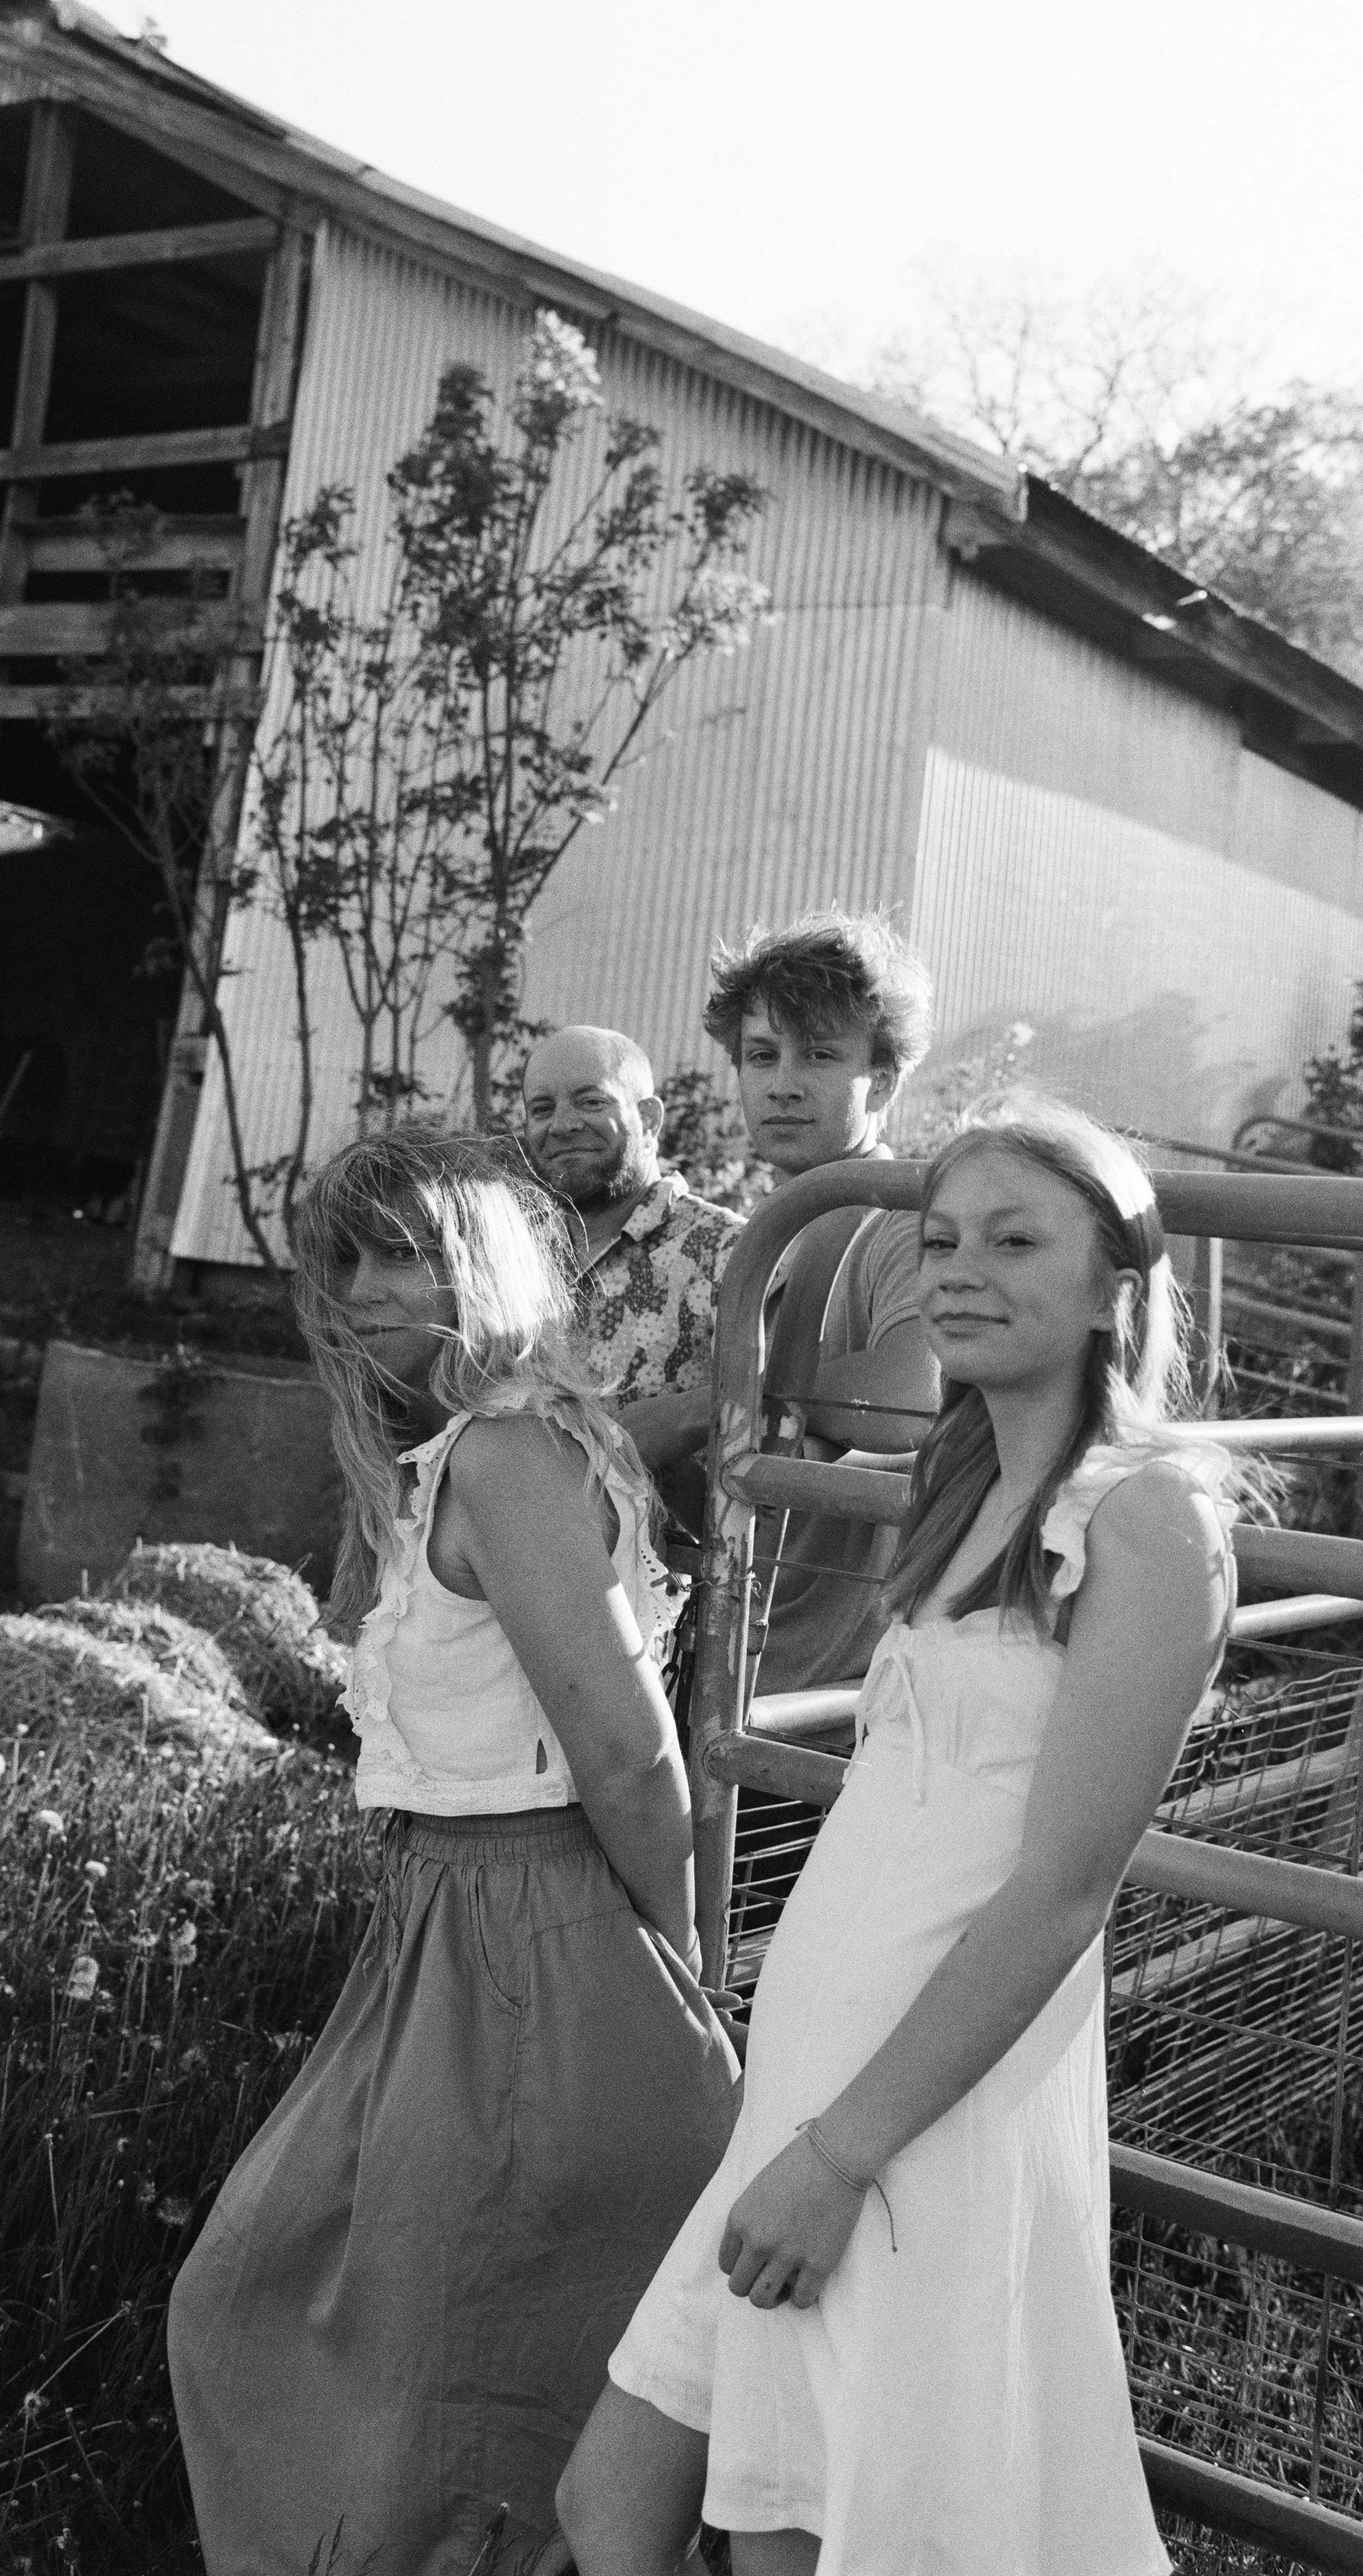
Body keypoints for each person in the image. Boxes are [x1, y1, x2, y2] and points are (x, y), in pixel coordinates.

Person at [558, 1090, 1245, 2576]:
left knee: (806, 2532)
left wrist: (843, 2152)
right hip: (813, 2071)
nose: (961, 1270)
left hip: (913, 2109)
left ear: (1111, 1288)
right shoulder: (961, 1480)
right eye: (940, 1240)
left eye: (1015, 1240)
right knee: (610, 2501)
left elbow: (1059, 1890)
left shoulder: (1144, 1518)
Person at [169, 1127, 741, 2576]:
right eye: (347, 1257)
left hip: (529, 1924)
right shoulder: (461, 1455)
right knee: (287, 2300)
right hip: (438, 1923)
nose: (365, 1288)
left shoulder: (506, 1454)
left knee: (397, 2341)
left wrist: (669, 1962)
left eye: (406, 1253)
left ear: (485, 1266)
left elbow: (627, 1749)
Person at [702, 912, 941, 1696]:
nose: (783, 1083)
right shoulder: (766, 1231)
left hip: (838, 1687)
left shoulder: (899, 1217)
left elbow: (908, 1396)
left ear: (885, 1079)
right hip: (748, 1649)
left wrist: (718, 1405)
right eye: (761, 1055)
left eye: (820, 1054)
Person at [520, 1025, 742, 1491]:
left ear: (650, 1119)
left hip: (676, 1538)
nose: (562, 1125)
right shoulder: (511, 1258)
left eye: (590, 1102)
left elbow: (777, 1414)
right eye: (542, 1109)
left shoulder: (729, 1250)